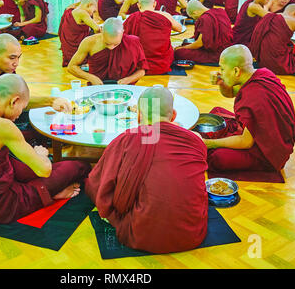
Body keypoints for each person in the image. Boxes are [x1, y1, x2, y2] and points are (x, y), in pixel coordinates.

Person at [0, 73, 91, 224]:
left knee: (25, 166)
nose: (19, 115)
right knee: (79, 166)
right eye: (23, 108)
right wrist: (40, 154)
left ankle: (47, 191)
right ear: (14, 101)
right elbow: (44, 170)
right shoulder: (2, 126)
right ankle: (48, 194)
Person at [85, 86, 208, 254]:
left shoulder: (126, 140)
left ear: (138, 117)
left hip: (141, 233)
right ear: (173, 116)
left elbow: (97, 184)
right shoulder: (195, 141)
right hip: (191, 232)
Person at [205, 44, 295, 183]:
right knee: (216, 112)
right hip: (261, 134)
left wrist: (209, 143)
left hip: (267, 152)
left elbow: (246, 142)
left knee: (216, 158)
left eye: (222, 69)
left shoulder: (256, 96)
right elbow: (231, 93)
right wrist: (221, 83)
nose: (220, 72)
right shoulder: (260, 74)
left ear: (236, 71)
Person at [67, 17, 148, 85]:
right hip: (97, 87)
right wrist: (91, 78)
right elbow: (71, 67)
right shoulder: (89, 42)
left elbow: (142, 70)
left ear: (123, 32)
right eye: (107, 43)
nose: (111, 48)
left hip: (123, 88)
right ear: (101, 31)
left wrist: (128, 80)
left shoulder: (132, 42)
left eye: (115, 44)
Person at [249, 4, 295, 75]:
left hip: (262, 61)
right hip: (278, 64)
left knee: (291, 48)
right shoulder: (294, 22)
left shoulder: (271, 16)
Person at [124, 0, 183, 75]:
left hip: (139, 64)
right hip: (162, 64)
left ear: (138, 5)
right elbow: (179, 29)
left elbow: (123, 36)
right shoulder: (165, 16)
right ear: (155, 4)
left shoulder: (132, 17)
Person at [174, 0, 233, 64]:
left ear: (195, 13)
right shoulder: (220, 11)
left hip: (216, 54)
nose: (195, 19)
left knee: (179, 53)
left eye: (193, 17)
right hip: (228, 50)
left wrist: (182, 48)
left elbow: (199, 44)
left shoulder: (205, 18)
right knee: (186, 43)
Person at [59, 0, 100, 67]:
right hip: (76, 46)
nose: (92, 14)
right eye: (93, 11)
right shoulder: (82, 13)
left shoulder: (72, 8)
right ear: (89, 5)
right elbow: (96, 28)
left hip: (70, 44)